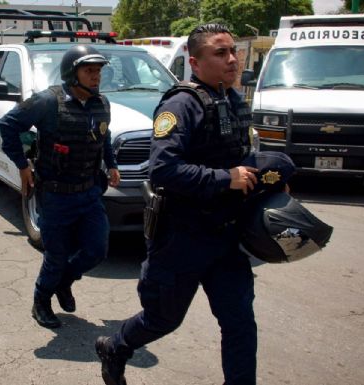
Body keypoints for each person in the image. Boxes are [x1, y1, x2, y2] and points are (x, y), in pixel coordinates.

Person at [95, 24, 261, 385]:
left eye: (233, 51)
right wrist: (225, 178)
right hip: (181, 238)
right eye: (220, 53)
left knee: (239, 324)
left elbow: (243, 158)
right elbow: (164, 170)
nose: (232, 60)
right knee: (162, 319)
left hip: (227, 238)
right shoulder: (180, 104)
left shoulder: (232, 101)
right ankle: (117, 345)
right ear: (196, 62)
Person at [0, 45, 121, 329]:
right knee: (55, 256)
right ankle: (41, 299)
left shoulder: (101, 103)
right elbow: (8, 125)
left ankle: (64, 281)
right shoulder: (47, 101)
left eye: (99, 71)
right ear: (71, 72)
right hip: (56, 195)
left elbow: (103, 136)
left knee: (97, 250)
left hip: (90, 192)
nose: (96, 76)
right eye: (89, 71)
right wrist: (22, 165)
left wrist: (112, 163)